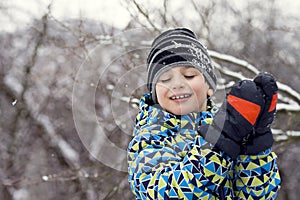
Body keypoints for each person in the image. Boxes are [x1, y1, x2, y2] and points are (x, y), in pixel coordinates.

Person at [127, 27, 281, 199]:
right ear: (155, 94)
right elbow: (172, 193)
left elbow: (257, 196)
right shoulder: (149, 138)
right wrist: (218, 139)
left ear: (209, 87)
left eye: (189, 75)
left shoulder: (230, 126)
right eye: (165, 79)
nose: (177, 84)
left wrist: (255, 145)